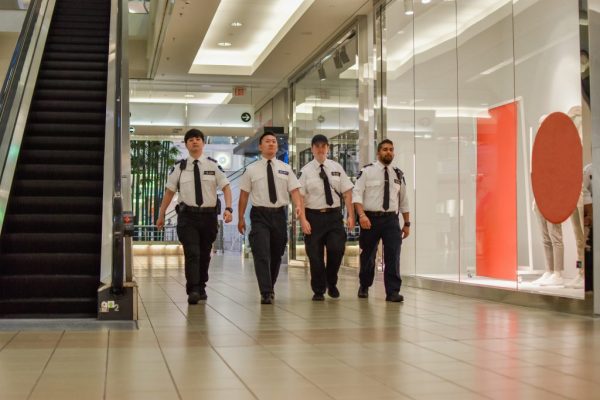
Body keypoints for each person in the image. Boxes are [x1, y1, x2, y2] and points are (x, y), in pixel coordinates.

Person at [157, 129, 233, 304]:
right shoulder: (179, 167)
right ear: (186, 144)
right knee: (192, 252)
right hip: (187, 217)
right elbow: (169, 193)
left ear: (203, 143)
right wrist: (161, 215)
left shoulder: (213, 166)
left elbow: (226, 187)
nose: (195, 142)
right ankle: (193, 289)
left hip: (208, 217)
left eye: (198, 139)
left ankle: (201, 286)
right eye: (191, 140)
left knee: (205, 254)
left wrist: (229, 208)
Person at [238, 132, 305, 304]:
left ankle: (270, 285)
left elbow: (295, 190)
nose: (271, 144)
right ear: (260, 146)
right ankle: (266, 292)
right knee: (261, 253)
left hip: (279, 215)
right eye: (267, 141)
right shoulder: (251, 169)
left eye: (274, 142)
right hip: (259, 215)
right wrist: (240, 218)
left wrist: (298, 206)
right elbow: (244, 196)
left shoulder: (285, 168)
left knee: (276, 254)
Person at [299, 134, 355, 301]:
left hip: (334, 217)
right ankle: (318, 289)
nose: (321, 149)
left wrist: (351, 215)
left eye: (324, 146)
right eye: (317, 146)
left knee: (337, 249)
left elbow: (347, 193)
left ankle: (332, 282)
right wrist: (303, 220)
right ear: (312, 149)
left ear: (328, 148)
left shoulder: (336, 167)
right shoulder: (305, 171)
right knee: (314, 255)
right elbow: (300, 197)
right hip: (313, 216)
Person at [353, 139, 410, 302]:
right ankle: (364, 284)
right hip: (370, 219)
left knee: (393, 254)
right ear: (378, 153)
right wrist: (361, 215)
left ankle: (392, 291)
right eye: (385, 149)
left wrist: (406, 223)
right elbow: (357, 194)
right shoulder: (367, 171)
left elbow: (404, 200)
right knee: (368, 255)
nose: (388, 152)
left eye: (391, 149)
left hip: (391, 220)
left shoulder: (398, 174)